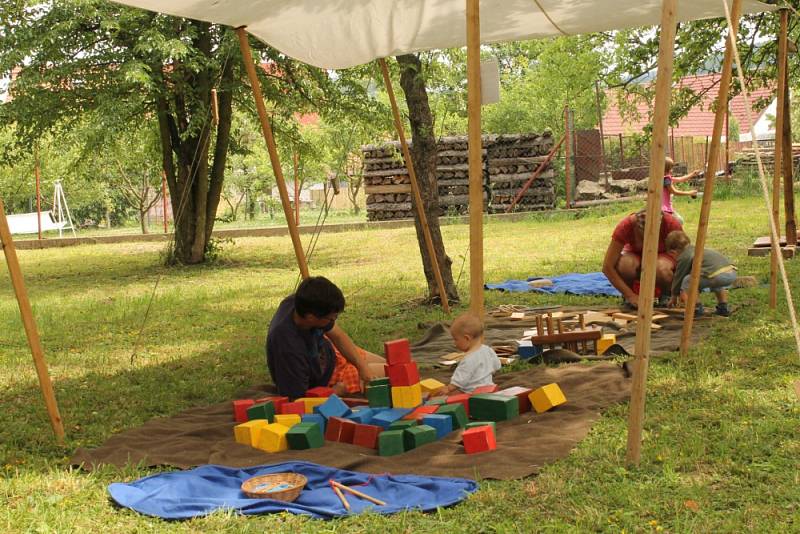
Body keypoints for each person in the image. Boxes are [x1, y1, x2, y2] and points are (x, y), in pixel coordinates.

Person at [266, 276, 385, 399]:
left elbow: (338, 336)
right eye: (331, 318)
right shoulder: (289, 349)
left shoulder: (299, 302)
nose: (333, 321)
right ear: (311, 317)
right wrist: (335, 392)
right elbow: (298, 401)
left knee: (392, 364)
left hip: (332, 352)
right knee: (392, 373)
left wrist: (362, 366)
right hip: (330, 378)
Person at [602, 208, 684, 309]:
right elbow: (607, 267)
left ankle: (666, 296)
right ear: (636, 228)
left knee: (661, 268)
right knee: (625, 265)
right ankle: (631, 297)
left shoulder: (671, 224)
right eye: (643, 237)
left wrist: (680, 291)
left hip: (663, 257)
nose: (648, 242)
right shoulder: (626, 226)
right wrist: (629, 295)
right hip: (635, 255)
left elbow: (684, 261)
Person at [665, 230, 737, 317]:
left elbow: (679, 277)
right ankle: (723, 307)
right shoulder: (696, 249)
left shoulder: (684, 256)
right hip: (730, 273)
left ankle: (695, 309)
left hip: (717, 275)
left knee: (687, 281)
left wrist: (674, 295)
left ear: (673, 252)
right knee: (716, 283)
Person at [434, 313, 500, 395]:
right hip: (489, 388)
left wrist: (448, 388)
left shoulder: (468, 359)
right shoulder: (488, 350)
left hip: (473, 393)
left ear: (466, 338)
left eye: (456, 339)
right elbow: (497, 366)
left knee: (451, 395)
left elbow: (460, 379)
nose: (454, 344)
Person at [663, 157, 700, 224]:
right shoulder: (666, 179)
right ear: (667, 169)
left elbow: (680, 179)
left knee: (679, 221)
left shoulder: (663, 178)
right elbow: (674, 192)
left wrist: (692, 174)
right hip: (664, 209)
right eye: (671, 168)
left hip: (664, 209)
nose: (672, 170)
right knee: (679, 221)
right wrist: (690, 193)